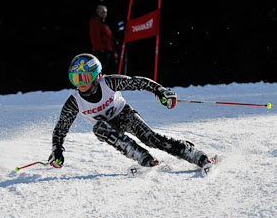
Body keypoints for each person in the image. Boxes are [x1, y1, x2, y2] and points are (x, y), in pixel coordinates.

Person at [48, 53, 215, 171]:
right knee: (99, 128)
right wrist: (57, 150)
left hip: (124, 115)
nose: (80, 83)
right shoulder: (75, 102)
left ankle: (194, 154)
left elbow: (137, 82)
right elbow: (61, 128)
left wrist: (160, 91)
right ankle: (144, 158)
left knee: (151, 138)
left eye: (84, 78)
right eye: (75, 78)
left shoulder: (109, 82)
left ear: (96, 76)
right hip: (107, 128)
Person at [89, 5, 118, 73]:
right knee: (103, 71)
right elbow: (95, 38)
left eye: (105, 12)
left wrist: (114, 51)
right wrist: (102, 50)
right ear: (97, 12)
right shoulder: (95, 22)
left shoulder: (103, 23)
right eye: (102, 12)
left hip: (108, 51)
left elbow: (109, 39)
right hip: (102, 52)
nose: (104, 14)